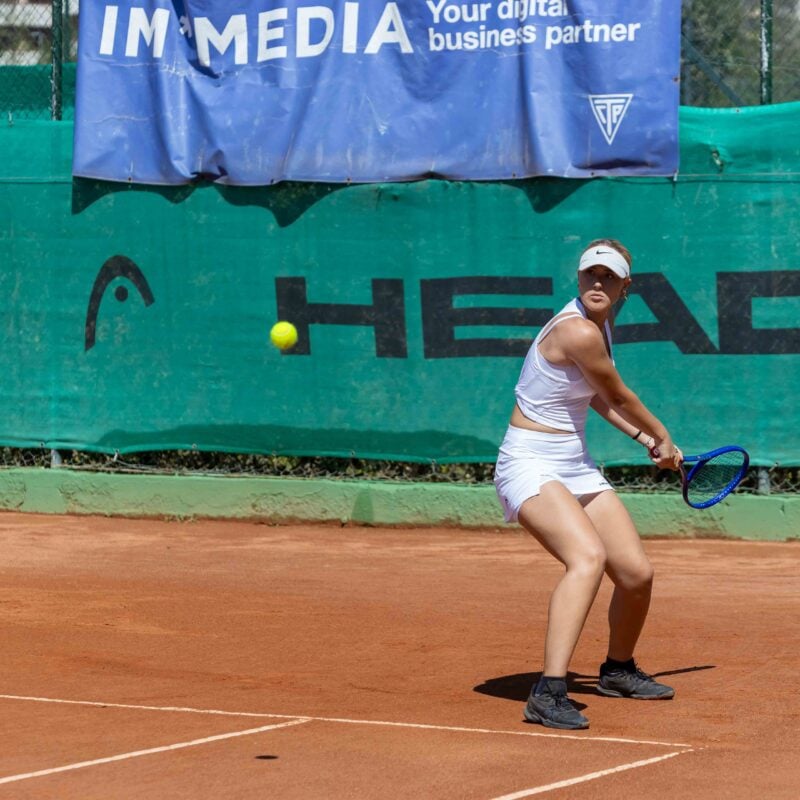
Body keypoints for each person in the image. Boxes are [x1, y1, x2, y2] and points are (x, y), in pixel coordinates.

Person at [493, 239, 682, 731]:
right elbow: (618, 392)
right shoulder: (576, 329)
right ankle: (548, 691)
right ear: (579, 279)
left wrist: (644, 439)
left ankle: (617, 670)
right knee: (588, 558)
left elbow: (596, 398)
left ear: (625, 286)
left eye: (609, 277)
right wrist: (663, 435)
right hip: (529, 462)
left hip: (574, 462)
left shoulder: (602, 325)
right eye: (590, 275)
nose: (598, 284)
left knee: (636, 574)